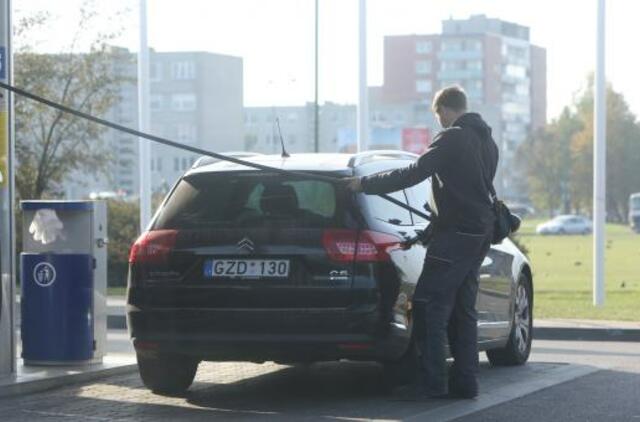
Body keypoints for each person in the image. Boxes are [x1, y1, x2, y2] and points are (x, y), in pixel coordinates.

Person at [344, 86, 498, 399]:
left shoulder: (452, 137)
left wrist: (364, 184)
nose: (438, 120)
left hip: (454, 235)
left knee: (429, 307)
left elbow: (415, 171)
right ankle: (466, 383)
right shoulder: (487, 141)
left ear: (445, 108)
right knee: (464, 310)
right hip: (479, 233)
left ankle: (432, 383)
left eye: (438, 114)